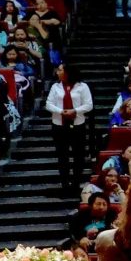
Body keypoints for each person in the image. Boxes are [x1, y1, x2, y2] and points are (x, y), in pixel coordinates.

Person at [46, 63, 92, 195]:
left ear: (68, 72)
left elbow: (89, 105)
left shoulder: (82, 87)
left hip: (78, 124)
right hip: (59, 125)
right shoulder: (55, 86)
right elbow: (48, 104)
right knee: (62, 156)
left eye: (60, 70)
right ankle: (65, 185)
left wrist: (75, 110)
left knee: (78, 156)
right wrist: (61, 111)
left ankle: (76, 184)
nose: (57, 72)